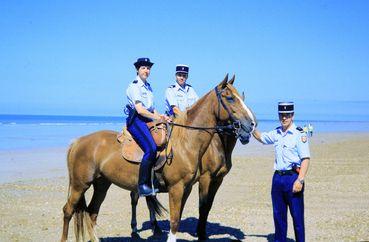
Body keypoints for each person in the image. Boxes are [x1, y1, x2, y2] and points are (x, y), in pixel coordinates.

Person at [252, 102, 311, 242]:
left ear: (292, 115)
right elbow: (261, 138)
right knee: (278, 217)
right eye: (282, 115)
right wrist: (250, 127)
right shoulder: (276, 133)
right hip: (277, 179)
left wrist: (300, 180)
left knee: (297, 217)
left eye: (287, 115)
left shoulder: (299, 134)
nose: (284, 118)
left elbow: (306, 159)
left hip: (293, 178)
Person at [125, 57, 170, 197]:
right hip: (136, 121)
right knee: (151, 148)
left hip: (148, 119)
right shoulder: (134, 86)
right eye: (143, 68)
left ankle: (154, 180)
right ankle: (142, 185)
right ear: (137, 70)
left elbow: (152, 109)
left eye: (148, 68)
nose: (146, 70)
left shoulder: (149, 87)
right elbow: (140, 109)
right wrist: (156, 118)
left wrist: (163, 118)